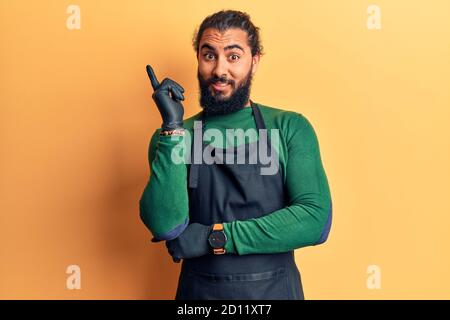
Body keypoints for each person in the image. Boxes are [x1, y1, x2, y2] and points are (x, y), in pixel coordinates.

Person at [139, 9, 332, 300]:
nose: (219, 70)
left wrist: (214, 238)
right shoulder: (175, 137)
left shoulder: (290, 127)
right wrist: (172, 128)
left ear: (254, 62)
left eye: (233, 56)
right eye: (209, 55)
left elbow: (315, 221)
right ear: (198, 60)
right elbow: (166, 225)